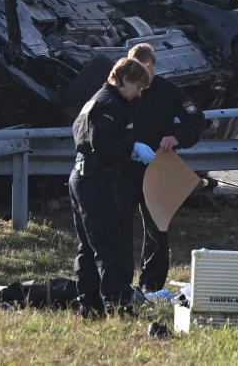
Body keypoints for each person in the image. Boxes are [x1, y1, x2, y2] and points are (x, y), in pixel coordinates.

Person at [70, 57, 152, 315]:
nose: (138, 95)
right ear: (125, 80)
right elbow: (101, 144)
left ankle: (89, 304)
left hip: (83, 176)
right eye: (138, 87)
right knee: (110, 245)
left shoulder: (98, 99)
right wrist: (131, 148)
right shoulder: (109, 105)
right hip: (96, 179)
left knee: (89, 246)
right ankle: (117, 303)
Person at [124, 44, 206, 292]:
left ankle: (151, 285)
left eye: (147, 69)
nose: (143, 76)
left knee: (157, 228)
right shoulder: (120, 89)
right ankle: (120, 282)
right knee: (120, 227)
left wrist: (177, 137)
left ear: (154, 66)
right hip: (124, 166)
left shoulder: (168, 91)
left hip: (157, 166)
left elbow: (196, 119)